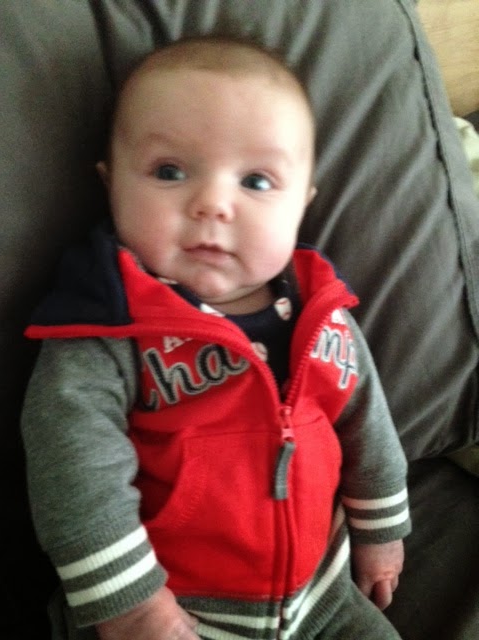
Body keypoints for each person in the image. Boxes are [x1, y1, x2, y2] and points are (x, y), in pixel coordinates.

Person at [21, 36, 410, 640]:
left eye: (256, 181)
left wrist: (381, 531)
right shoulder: (104, 328)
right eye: (169, 172)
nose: (212, 204)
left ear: (302, 205)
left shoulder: (324, 312)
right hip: (172, 608)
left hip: (323, 595)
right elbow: (74, 476)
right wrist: (132, 606)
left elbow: (367, 421)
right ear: (110, 184)